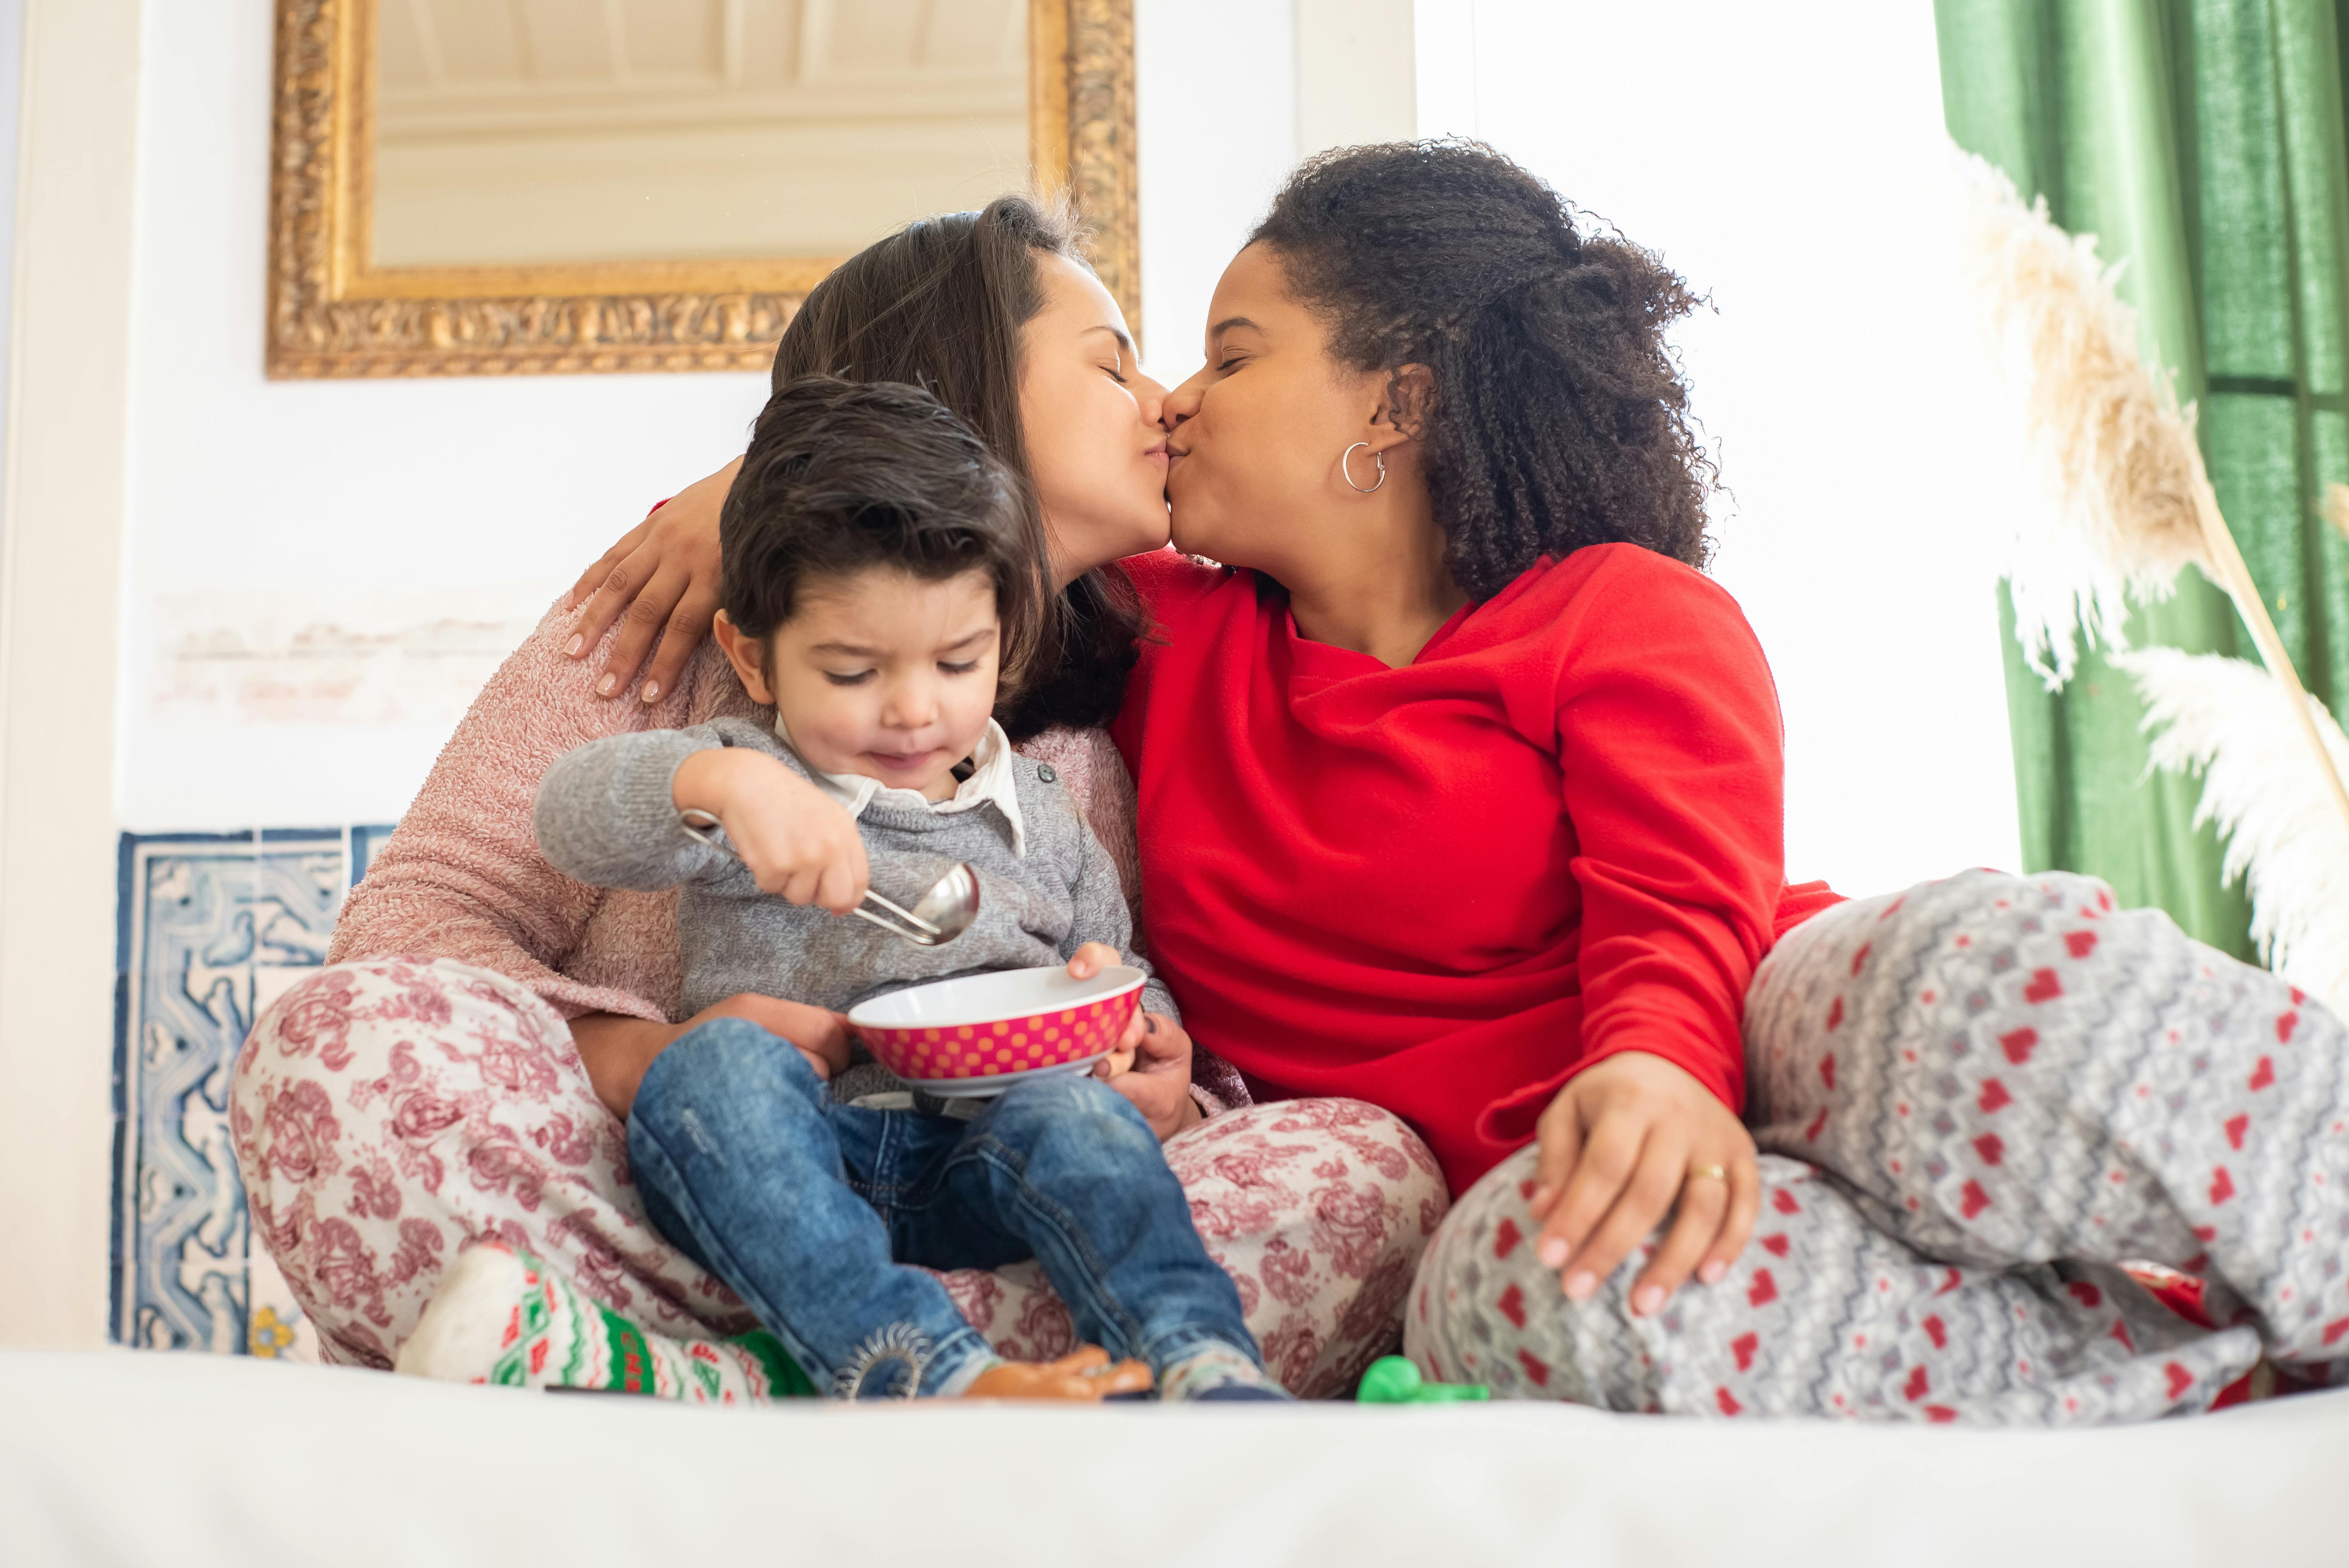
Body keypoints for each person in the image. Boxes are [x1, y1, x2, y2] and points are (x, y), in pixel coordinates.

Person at [568, 140, 2349, 1422]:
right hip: (1527, 1183)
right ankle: (2189, 1367)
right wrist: (742, 490)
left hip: (1735, 1019)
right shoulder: (1174, 639)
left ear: (1389, 409)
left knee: (1968, 974)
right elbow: (936, 517)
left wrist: (1658, 1064)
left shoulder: (1622, 619)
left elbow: (1686, 903)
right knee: (1527, 1301)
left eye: (1233, 349)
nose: (1175, 397)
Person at [232, 197, 1442, 1400]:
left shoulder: (1108, 706)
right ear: (967, 390)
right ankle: (887, 1354)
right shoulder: (671, 619)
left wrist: (1163, 1080)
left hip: (988, 1187)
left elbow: (1116, 981)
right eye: (1111, 364)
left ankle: (741, 1367)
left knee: (1366, 1173)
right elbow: (410, 925)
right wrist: (644, 1055)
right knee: (329, 1052)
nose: (1164, 398)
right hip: (688, 1186)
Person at [517, 375, 1274, 1402]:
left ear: (1001, 641)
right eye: (851, 673)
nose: (914, 711)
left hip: (984, 1157)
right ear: (752, 653)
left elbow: (1121, 966)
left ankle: (1198, 1358)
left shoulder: (1046, 812)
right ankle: (913, 1363)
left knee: (1082, 1123)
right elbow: (572, 815)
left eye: (956, 661)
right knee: (712, 1072)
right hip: (790, 1158)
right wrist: (715, 781)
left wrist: (1135, 1027)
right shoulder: (749, 784)